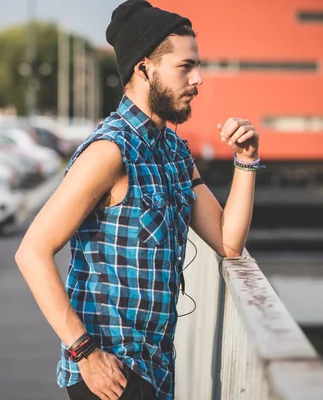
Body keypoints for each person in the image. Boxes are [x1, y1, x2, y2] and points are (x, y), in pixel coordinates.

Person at [15, 1, 262, 399]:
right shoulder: (110, 152)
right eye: (185, 66)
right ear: (144, 67)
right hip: (108, 372)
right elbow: (32, 253)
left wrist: (246, 162)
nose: (198, 79)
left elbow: (228, 242)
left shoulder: (175, 153)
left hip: (156, 368)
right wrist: (85, 353)